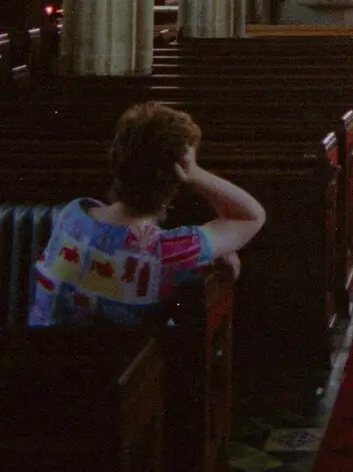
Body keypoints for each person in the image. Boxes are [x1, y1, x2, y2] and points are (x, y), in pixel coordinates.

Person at [29, 101, 266, 328]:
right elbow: (251, 216)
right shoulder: (167, 251)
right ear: (175, 179)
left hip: (43, 359)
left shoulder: (73, 214)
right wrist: (195, 175)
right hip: (128, 368)